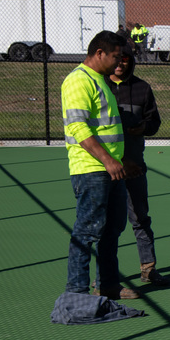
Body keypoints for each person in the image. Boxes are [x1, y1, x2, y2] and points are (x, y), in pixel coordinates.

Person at [61, 30, 138, 300]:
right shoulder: (78, 81)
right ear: (99, 53)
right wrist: (106, 160)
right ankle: (77, 291)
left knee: (112, 228)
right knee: (88, 229)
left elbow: (107, 128)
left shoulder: (101, 80)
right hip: (91, 169)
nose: (119, 62)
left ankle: (107, 284)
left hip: (110, 169)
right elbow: (78, 127)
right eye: (115, 57)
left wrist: (121, 160)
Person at [109, 43, 169, 285]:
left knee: (140, 217)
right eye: (118, 58)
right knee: (110, 223)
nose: (121, 63)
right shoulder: (101, 87)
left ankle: (148, 267)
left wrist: (143, 127)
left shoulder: (142, 88)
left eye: (126, 58)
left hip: (135, 166)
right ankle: (105, 276)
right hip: (108, 168)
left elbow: (154, 121)